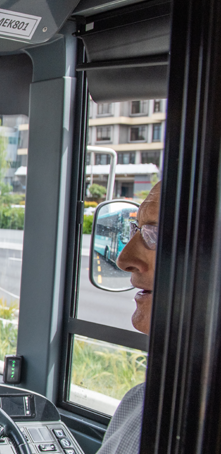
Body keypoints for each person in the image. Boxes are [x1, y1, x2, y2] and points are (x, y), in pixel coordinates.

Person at [96, 181, 160, 454]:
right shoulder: (141, 401)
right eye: (137, 230)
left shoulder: (149, 406)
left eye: (158, 234)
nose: (123, 259)